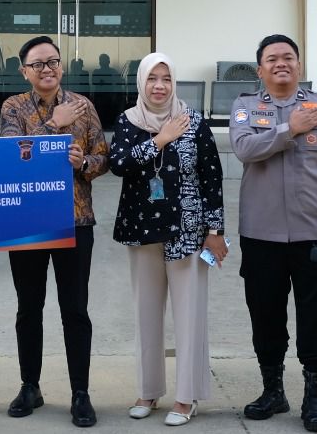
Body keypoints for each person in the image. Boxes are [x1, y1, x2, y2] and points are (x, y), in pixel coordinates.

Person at [228, 35, 317, 434]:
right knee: (266, 317)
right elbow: (244, 149)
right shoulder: (245, 107)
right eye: (272, 58)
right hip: (261, 235)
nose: (281, 63)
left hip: (315, 235)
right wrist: (288, 129)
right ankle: (273, 391)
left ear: (299, 65)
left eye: (288, 57)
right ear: (260, 69)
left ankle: (314, 399)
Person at [0, 35, 109, 427]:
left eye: (53, 61)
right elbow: (14, 156)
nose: (47, 69)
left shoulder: (84, 106)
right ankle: (30, 386)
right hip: (27, 223)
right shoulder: (13, 107)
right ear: (24, 71)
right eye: (38, 64)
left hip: (74, 221)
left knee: (75, 309)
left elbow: (103, 156)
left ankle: (80, 393)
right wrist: (53, 124)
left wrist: (83, 163)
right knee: (29, 308)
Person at [108, 52, 225, 427]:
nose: (159, 86)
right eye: (152, 78)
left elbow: (212, 177)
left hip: (187, 231)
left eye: (167, 79)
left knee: (189, 315)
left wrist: (215, 232)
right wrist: (160, 139)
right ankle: (148, 390)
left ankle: (186, 396)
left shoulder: (193, 121)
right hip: (142, 229)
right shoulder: (128, 120)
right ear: (141, 82)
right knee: (146, 314)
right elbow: (118, 164)